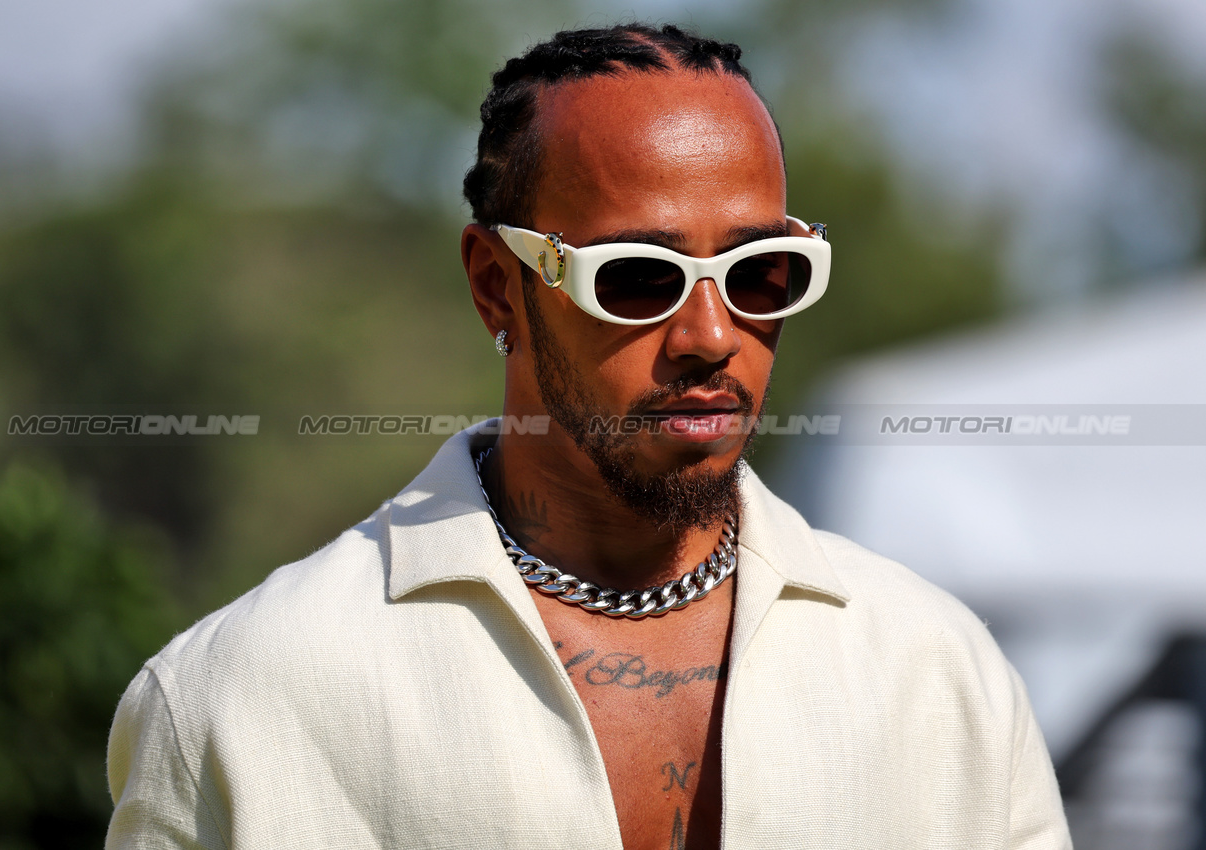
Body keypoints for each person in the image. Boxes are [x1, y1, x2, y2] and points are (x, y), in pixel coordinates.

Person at [105, 23, 1072, 850]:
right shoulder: (245, 697)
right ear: (497, 284)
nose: (709, 336)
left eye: (762, 272)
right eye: (638, 278)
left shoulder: (937, 676)